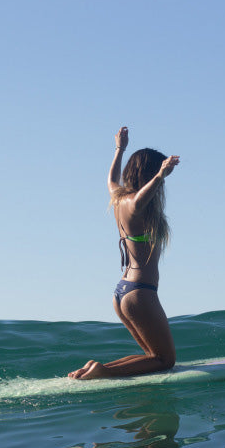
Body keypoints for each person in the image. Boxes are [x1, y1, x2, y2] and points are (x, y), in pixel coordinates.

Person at [69, 127, 179, 380]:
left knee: (153, 356)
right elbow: (142, 198)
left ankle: (95, 369)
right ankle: (102, 372)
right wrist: (161, 176)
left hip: (122, 292)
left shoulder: (118, 199)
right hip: (140, 293)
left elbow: (111, 179)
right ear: (148, 174)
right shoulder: (134, 204)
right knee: (165, 360)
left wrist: (120, 149)